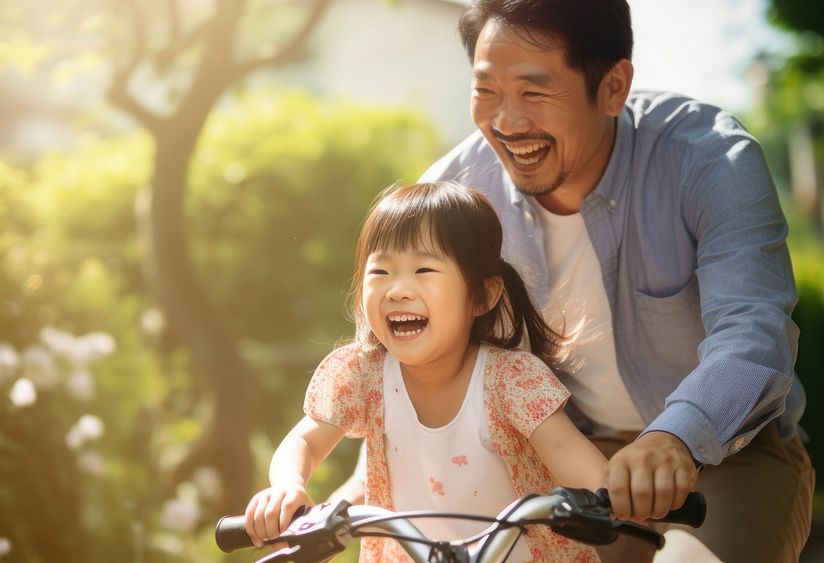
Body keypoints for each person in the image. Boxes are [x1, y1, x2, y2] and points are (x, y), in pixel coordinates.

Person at [333, 1, 815, 561]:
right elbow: (414, 360)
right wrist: (356, 486)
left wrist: (674, 436)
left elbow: (754, 336)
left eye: (534, 92)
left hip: (726, 454)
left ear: (613, 87)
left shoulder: (709, 162)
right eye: (486, 90)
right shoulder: (455, 195)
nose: (507, 122)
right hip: (556, 459)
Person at [244, 182, 608, 562]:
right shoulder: (363, 375)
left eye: (423, 269)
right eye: (380, 271)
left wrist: (616, 492)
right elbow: (305, 440)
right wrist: (286, 487)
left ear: (483, 295)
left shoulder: (510, 380)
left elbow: (567, 450)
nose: (398, 290)